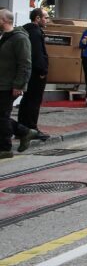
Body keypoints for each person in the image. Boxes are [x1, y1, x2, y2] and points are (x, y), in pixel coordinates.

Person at [0, 9, 34, 158]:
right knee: (2, 116)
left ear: (4, 20)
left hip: (9, 85)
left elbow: (25, 63)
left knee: (2, 116)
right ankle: (25, 132)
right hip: (2, 82)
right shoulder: (5, 37)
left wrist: (19, 85)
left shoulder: (20, 38)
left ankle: (6, 148)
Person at [18, 9, 50, 141]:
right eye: (46, 17)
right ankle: (31, 128)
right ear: (37, 18)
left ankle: (22, 129)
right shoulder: (36, 33)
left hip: (29, 72)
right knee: (33, 101)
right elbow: (37, 54)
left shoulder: (27, 30)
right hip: (36, 73)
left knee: (26, 100)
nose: (47, 20)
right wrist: (42, 71)